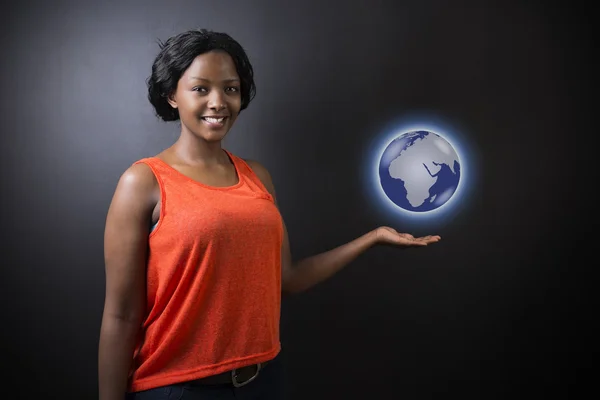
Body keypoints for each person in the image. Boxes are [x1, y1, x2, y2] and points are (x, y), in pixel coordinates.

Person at [98, 28, 441, 400]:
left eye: (230, 89)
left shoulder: (256, 177)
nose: (218, 102)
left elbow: (288, 279)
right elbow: (121, 316)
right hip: (178, 389)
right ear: (172, 96)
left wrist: (371, 238)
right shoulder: (144, 181)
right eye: (200, 89)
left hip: (264, 381)